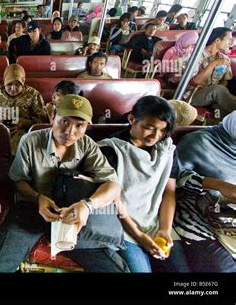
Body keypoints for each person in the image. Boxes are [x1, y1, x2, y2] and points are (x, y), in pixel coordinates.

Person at [0, 94, 129, 273]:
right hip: (32, 209)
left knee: (114, 269)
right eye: (64, 121)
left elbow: (113, 185)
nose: (70, 132)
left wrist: (87, 205)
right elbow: (18, 181)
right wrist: (38, 198)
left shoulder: (87, 146)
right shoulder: (30, 141)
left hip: (72, 212)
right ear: (53, 116)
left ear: (86, 127)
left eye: (79, 125)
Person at [98, 96, 190, 273]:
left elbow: (168, 193)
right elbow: (111, 203)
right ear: (132, 119)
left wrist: (165, 229)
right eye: (149, 128)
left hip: (156, 223)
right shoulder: (111, 150)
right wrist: (140, 237)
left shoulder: (167, 150)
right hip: (122, 226)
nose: (156, 136)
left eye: (163, 131)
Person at [173, 111, 236, 272]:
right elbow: (173, 180)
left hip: (231, 220)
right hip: (196, 216)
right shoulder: (198, 141)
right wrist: (219, 186)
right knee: (224, 268)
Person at [0, 64, 46, 154]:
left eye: (17, 84)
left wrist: (23, 122)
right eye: (9, 84)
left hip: (24, 136)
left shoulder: (33, 94)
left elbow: (43, 121)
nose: (13, 88)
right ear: (4, 82)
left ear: (23, 82)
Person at [188, 27, 235, 117]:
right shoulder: (196, 55)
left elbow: (225, 80)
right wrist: (214, 63)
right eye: (229, 39)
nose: (231, 43)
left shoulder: (225, 59)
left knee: (224, 112)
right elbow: (194, 82)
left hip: (213, 95)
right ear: (217, 40)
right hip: (193, 94)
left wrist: (221, 93)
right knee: (217, 90)